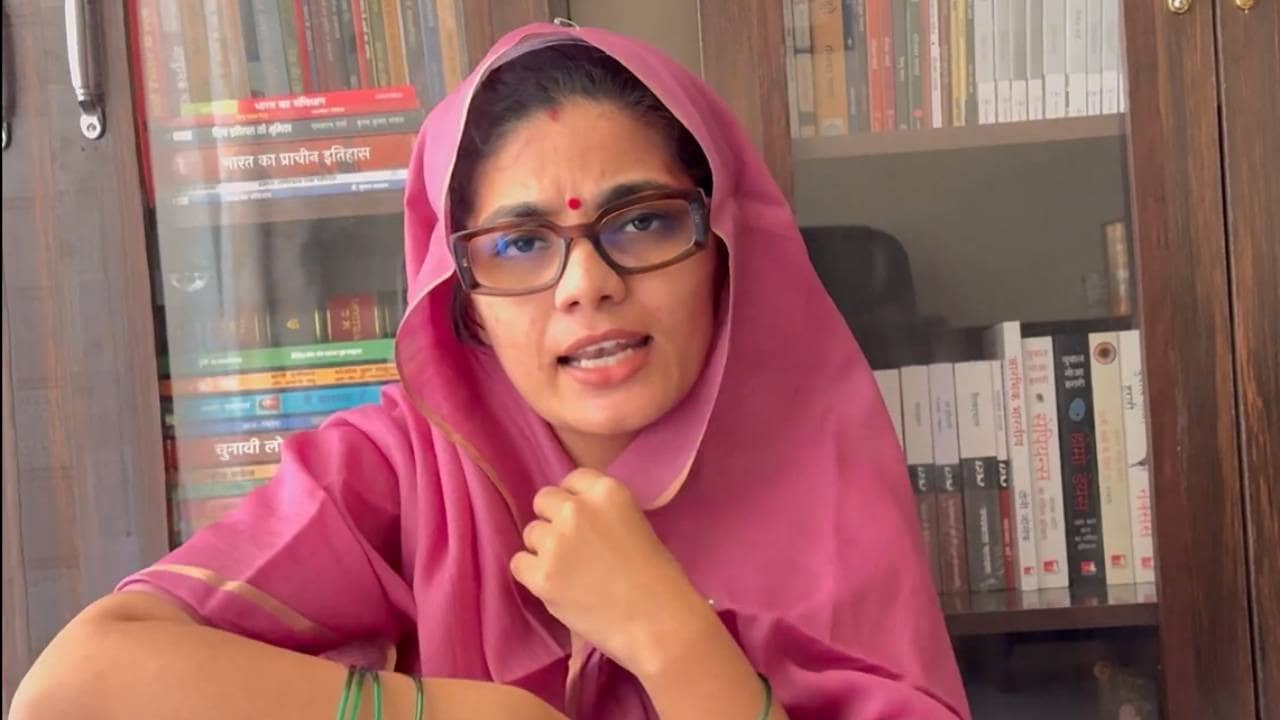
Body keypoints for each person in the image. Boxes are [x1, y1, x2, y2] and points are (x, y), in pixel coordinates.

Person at [12, 22, 969, 720]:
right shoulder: (398, 473)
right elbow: (72, 688)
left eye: (643, 222)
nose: (587, 285)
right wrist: (474, 713)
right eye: (519, 244)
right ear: (460, 293)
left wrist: (670, 636)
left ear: (722, 245)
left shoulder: (821, 472)